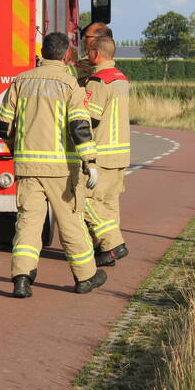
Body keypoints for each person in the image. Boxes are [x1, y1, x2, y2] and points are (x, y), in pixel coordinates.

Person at [0, 32, 107, 298]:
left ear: (41, 52)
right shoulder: (70, 85)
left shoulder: (20, 81)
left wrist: (16, 146)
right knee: (70, 222)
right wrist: (90, 161)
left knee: (28, 223)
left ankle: (22, 278)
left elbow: (2, 124)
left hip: (27, 168)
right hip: (60, 170)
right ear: (66, 55)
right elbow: (79, 127)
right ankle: (86, 277)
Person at [80, 37, 131, 267]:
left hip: (102, 154)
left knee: (86, 201)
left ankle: (113, 244)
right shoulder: (120, 78)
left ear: (95, 54)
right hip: (121, 153)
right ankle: (106, 252)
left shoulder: (98, 82)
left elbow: (90, 118)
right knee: (110, 204)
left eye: (87, 51)